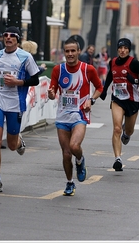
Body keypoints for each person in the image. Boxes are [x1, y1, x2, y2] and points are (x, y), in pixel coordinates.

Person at [0, 26, 40, 193]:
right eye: (5, 35)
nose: (8, 38)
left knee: (10, 145)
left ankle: (18, 141)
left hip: (15, 103)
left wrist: (18, 82)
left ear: (17, 39)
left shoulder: (26, 57)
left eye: (12, 36)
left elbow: (35, 80)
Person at [47, 37, 103, 196]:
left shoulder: (88, 69)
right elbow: (52, 93)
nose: (70, 54)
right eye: (67, 51)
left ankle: (80, 160)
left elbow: (99, 87)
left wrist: (91, 100)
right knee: (65, 153)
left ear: (79, 51)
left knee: (74, 147)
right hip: (62, 116)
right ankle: (70, 182)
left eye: (73, 51)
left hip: (79, 115)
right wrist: (51, 94)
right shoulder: (58, 70)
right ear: (64, 52)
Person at [100, 38, 139, 171]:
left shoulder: (133, 63)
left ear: (129, 49)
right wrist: (104, 90)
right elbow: (110, 76)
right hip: (117, 99)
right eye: (120, 48)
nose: (122, 50)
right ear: (117, 49)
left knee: (128, 130)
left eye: (125, 48)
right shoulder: (113, 62)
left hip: (132, 101)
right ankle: (118, 159)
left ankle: (126, 134)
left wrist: (134, 80)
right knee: (117, 129)